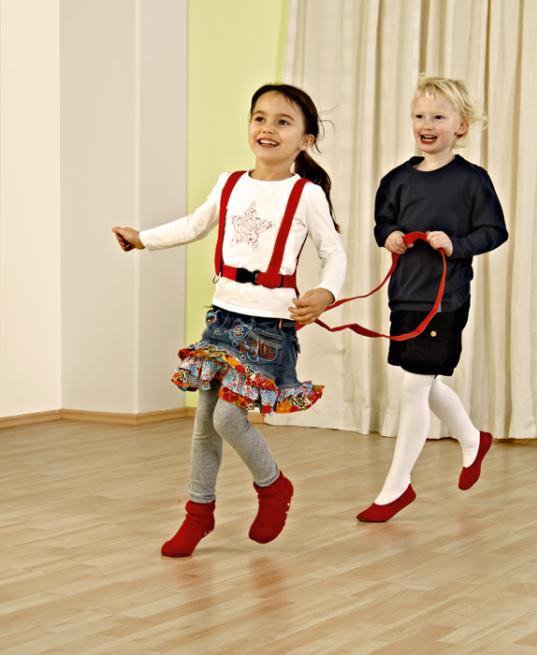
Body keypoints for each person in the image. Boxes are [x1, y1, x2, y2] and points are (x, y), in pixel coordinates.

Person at [113, 83, 346, 555]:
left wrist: (325, 292)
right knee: (204, 425)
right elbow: (195, 225)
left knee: (227, 419)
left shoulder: (306, 194)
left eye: (283, 122)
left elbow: (334, 253)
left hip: (267, 329)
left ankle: (273, 486)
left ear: (305, 140)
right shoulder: (231, 183)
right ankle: (198, 514)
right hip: (222, 319)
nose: (268, 128)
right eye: (260, 118)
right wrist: (144, 239)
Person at [356, 76, 508, 523]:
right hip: (405, 296)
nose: (427, 124)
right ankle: (472, 438)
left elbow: (494, 231)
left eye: (438, 116)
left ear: (461, 126)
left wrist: (456, 244)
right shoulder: (396, 179)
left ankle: (396, 487)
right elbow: (382, 223)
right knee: (422, 380)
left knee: (413, 388)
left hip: (446, 300)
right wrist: (390, 236)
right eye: (420, 116)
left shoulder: (472, 180)